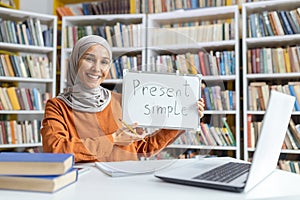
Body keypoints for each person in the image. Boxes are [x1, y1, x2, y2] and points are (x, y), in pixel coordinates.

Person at [41, 35, 205, 163]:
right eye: (89, 59)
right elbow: (55, 150)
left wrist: (182, 119)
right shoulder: (57, 107)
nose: (97, 68)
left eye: (104, 62)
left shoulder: (121, 101)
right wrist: (113, 139)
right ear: (76, 61)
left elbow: (143, 148)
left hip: (126, 184)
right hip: (85, 187)